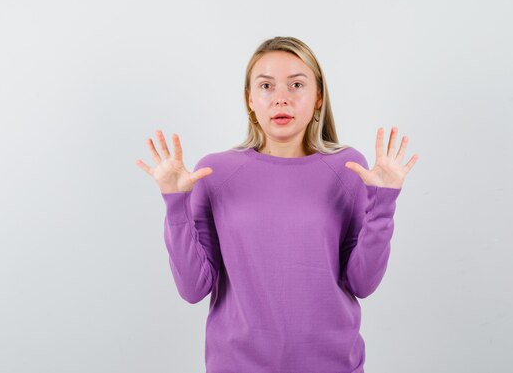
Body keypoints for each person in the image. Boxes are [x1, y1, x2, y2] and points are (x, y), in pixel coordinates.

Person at [135, 36, 418, 373]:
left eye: (296, 84)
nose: (281, 98)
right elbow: (193, 288)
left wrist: (383, 204)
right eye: (266, 86)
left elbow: (363, 283)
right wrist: (175, 203)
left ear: (317, 98)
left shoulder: (348, 168)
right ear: (250, 99)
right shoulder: (215, 173)